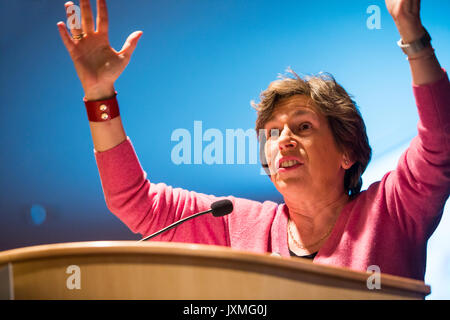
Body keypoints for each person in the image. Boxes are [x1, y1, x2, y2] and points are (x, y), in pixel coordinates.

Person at [57, 0, 449, 281]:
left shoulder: (393, 210)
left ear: (347, 151)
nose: (284, 141)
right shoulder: (235, 223)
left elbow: (441, 141)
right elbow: (135, 202)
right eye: (273, 133)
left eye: (304, 127)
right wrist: (100, 94)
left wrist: (414, 38)